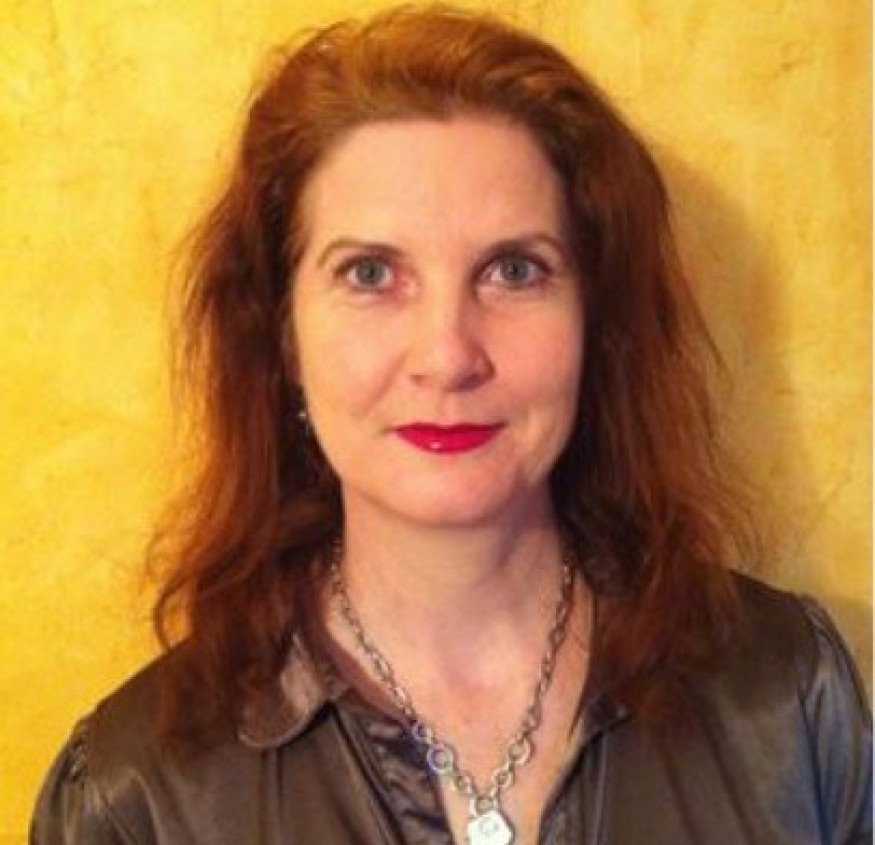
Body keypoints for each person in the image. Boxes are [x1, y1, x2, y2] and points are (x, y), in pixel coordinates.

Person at [31, 5, 871, 844]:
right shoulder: (132, 796)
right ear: (282, 336)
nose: (447, 355)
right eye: (370, 273)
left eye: (514, 270)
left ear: (595, 322)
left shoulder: (787, 700)